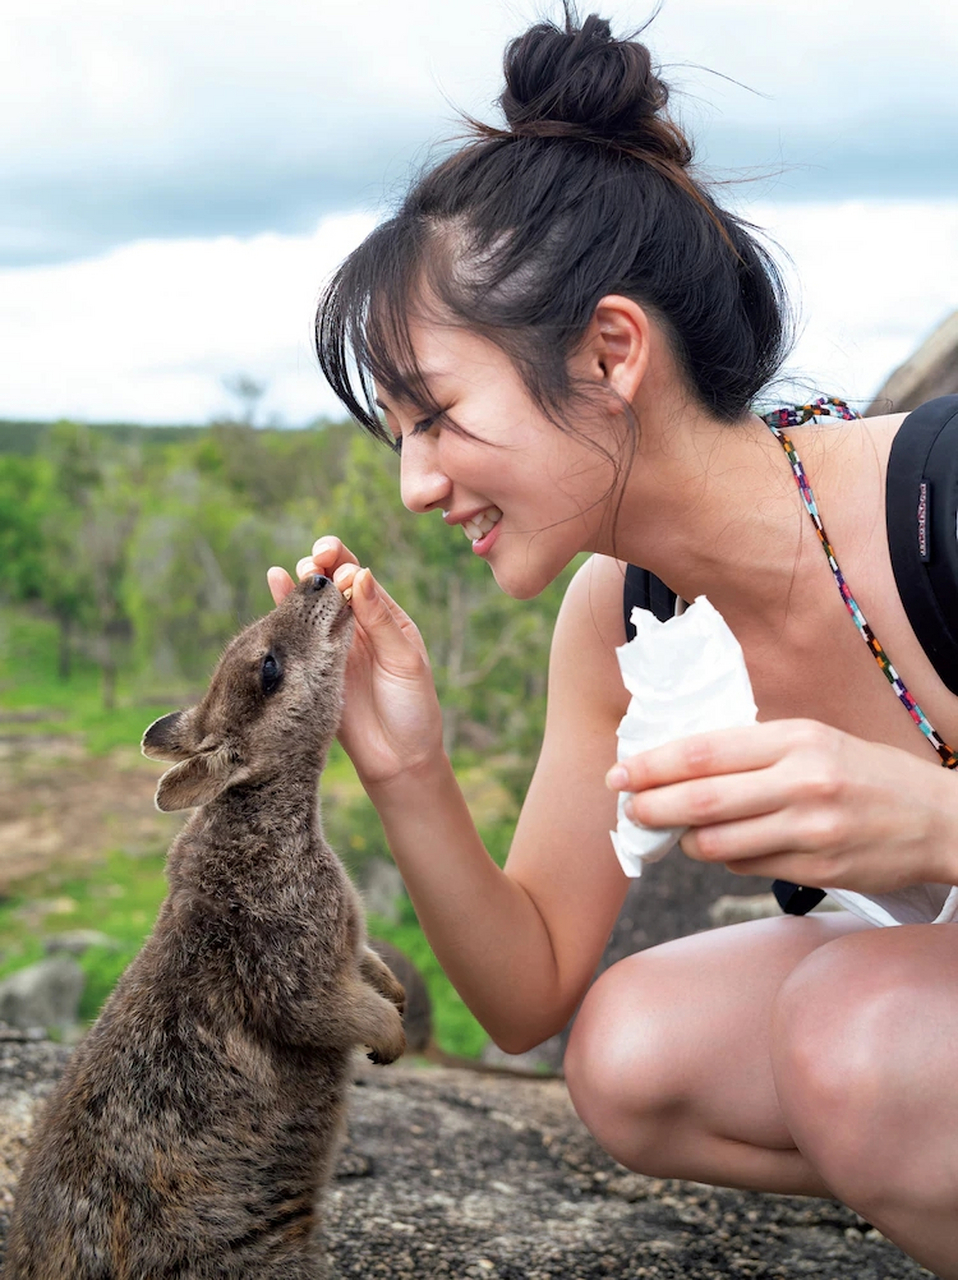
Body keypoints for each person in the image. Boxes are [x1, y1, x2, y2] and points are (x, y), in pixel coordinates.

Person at [268, 9, 958, 1274]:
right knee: (632, 1053)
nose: (416, 484)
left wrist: (931, 822)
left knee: (865, 1037)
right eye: (398, 439)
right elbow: (529, 991)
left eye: (438, 416)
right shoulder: (622, 614)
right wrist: (405, 767)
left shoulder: (940, 500)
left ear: (610, 348)